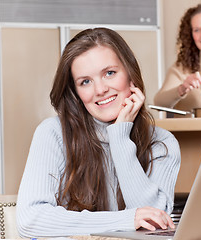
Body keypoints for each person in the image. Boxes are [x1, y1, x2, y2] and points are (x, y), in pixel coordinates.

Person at [16, 27, 181, 238]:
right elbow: (31, 220)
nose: (100, 89)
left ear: (130, 75)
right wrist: (126, 220)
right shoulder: (53, 133)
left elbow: (155, 224)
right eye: (85, 81)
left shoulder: (162, 143)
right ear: (76, 93)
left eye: (109, 73)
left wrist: (120, 137)